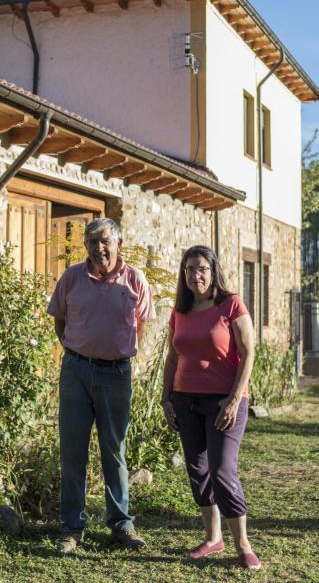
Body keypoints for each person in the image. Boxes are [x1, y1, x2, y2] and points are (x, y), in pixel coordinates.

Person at [48, 217, 154, 554]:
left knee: (114, 450)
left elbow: (142, 325)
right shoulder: (71, 278)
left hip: (116, 374)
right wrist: (78, 351)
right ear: (86, 246)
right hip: (76, 371)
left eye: (105, 240)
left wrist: (117, 352)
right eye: (92, 241)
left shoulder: (135, 280)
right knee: (73, 451)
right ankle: (72, 527)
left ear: (119, 243)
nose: (99, 247)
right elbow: (59, 319)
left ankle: (121, 525)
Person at [161, 245, 261, 570]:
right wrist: (165, 398)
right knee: (198, 470)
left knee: (221, 469)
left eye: (202, 268)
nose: (195, 275)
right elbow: (172, 358)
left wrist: (234, 400)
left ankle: (243, 544)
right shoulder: (180, 311)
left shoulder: (230, 305)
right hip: (184, 400)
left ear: (212, 270)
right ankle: (212, 537)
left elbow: (248, 354)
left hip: (224, 401)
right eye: (189, 269)